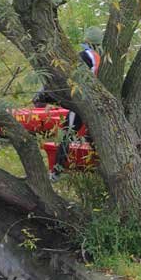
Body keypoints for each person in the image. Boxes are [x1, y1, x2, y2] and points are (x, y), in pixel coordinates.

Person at [51, 26, 103, 181]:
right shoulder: (101, 55)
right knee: (93, 135)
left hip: (82, 102)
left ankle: (57, 171)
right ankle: (97, 168)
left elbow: (73, 77)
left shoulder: (84, 56)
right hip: (98, 101)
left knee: (67, 133)